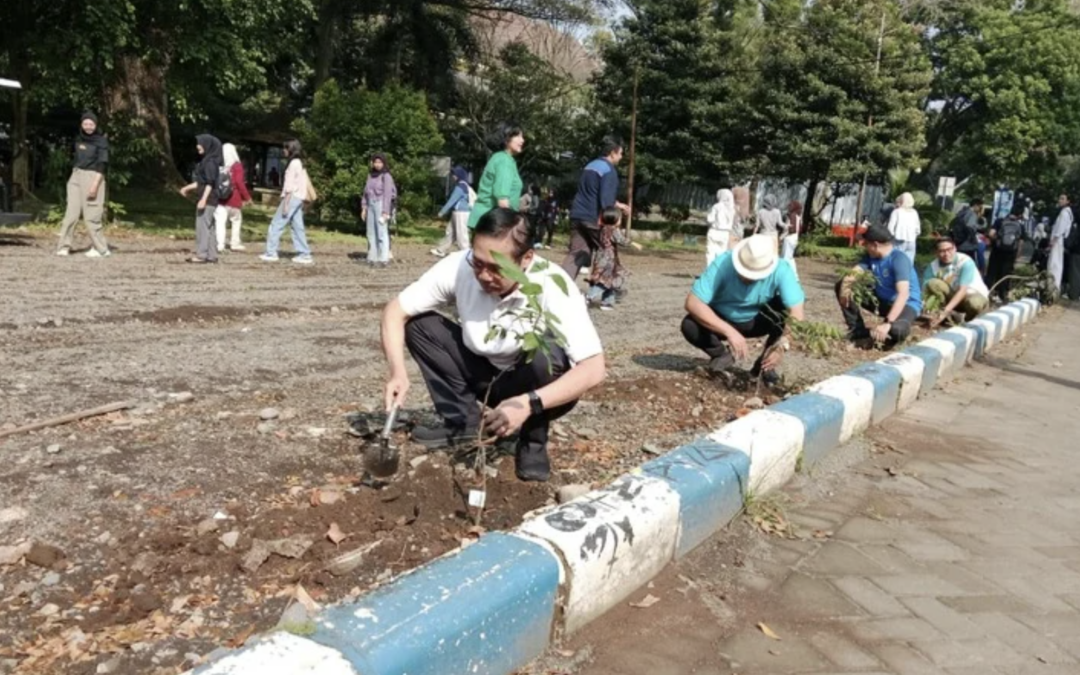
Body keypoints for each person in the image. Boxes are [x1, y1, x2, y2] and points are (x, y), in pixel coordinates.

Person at [381, 208, 605, 482]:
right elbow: (395, 311)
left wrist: (528, 403)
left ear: (526, 259)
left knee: (547, 352)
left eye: (497, 267)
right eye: (478, 263)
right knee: (419, 325)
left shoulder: (551, 284)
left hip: (529, 386)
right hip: (482, 371)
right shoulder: (459, 266)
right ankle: (465, 423)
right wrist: (398, 373)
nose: (484, 276)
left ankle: (532, 440)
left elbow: (594, 368)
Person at [682, 234, 806, 385]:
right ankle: (722, 355)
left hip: (757, 320)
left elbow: (797, 314)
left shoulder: (782, 270)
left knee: (781, 310)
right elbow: (693, 302)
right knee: (690, 325)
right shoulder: (723, 263)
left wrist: (781, 347)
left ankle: (764, 366)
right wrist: (730, 332)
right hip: (723, 318)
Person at [837, 224, 922, 347]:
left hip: (906, 304)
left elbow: (903, 294)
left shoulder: (899, 259)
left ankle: (892, 337)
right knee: (842, 285)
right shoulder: (871, 256)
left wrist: (888, 322)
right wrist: (845, 290)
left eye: (866, 244)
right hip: (883, 301)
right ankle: (858, 330)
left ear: (875, 245)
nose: (865, 247)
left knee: (897, 330)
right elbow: (852, 274)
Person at [563, 136, 630, 279]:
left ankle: (562, 287)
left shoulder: (590, 166)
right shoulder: (609, 171)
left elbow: (593, 192)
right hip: (593, 219)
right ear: (613, 153)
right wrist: (615, 220)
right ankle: (603, 292)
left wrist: (618, 204)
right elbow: (606, 202)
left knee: (578, 253)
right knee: (608, 253)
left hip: (577, 215)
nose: (621, 157)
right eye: (620, 153)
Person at [56, 112, 110, 258]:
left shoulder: (101, 141)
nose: (88, 127)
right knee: (70, 214)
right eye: (85, 123)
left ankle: (101, 249)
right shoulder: (78, 138)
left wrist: (94, 186)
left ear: (96, 125)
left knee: (91, 216)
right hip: (76, 175)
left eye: (91, 124)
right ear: (81, 124)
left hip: (93, 176)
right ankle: (63, 246)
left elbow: (102, 165)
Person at [260, 139, 314, 265]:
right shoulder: (300, 163)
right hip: (299, 198)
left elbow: (289, 185)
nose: (283, 150)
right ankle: (304, 254)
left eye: (285, 148)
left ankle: (271, 252)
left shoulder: (293, 164)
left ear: (291, 149)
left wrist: (286, 204)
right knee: (297, 227)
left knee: (276, 224)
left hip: (291, 198)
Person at [468, 125, 525, 230]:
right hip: (492, 225)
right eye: (518, 136)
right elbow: (502, 199)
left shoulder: (503, 158)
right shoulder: (504, 161)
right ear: (506, 139)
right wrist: (510, 226)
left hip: (489, 221)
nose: (522, 140)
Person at [922, 239, 989, 327]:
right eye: (942, 251)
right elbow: (924, 290)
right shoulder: (932, 266)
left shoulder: (965, 262)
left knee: (974, 304)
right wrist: (925, 308)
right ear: (936, 252)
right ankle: (938, 315)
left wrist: (944, 313)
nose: (946, 254)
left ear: (955, 249)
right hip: (953, 297)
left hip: (972, 295)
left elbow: (963, 290)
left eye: (949, 249)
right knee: (933, 283)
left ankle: (967, 320)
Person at [178, 134, 222, 264]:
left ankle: (201, 255)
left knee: (202, 226)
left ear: (208, 145)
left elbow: (210, 183)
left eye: (200, 143)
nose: (198, 146)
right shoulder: (208, 161)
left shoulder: (209, 163)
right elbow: (200, 182)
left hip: (208, 199)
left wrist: (203, 199)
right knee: (209, 227)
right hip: (209, 198)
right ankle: (212, 255)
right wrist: (186, 188)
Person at [586, 207, 630, 311]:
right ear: (614, 219)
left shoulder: (602, 229)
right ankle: (589, 296)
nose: (620, 220)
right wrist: (630, 242)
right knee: (605, 281)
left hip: (600, 257)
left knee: (611, 280)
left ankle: (607, 302)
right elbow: (621, 240)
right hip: (608, 259)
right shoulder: (613, 229)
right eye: (619, 218)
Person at [986, 201, 1027, 302]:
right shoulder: (1020, 226)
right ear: (1020, 214)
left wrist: (997, 240)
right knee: (1006, 273)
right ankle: (1001, 295)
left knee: (992, 272)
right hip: (1010, 253)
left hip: (997, 250)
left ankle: (987, 292)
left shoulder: (1000, 221)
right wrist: (1017, 255)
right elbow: (1021, 243)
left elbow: (991, 234)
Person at [214, 143, 252, 252]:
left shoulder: (220, 165)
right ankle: (234, 242)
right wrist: (247, 197)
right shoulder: (237, 165)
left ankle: (219, 244)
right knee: (236, 220)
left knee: (220, 222)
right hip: (234, 196)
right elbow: (239, 182)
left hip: (221, 197)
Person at [361, 153, 397, 267]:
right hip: (371, 204)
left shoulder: (386, 176)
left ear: (384, 163)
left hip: (381, 204)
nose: (377, 164)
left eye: (380, 162)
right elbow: (365, 193)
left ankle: (383, 258)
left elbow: (388, 194)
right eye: (375, 162)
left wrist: (385, 211)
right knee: (370, 232)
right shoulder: (370, 175)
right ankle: (372, 256)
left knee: (381, 232)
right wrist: (364, 207)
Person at [430, 166, 472, 258]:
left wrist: (442, 212)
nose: (453, 176)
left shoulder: (461, 186)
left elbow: (452, 201)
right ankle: (441, 249)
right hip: (457, 212)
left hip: (461, 213)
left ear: (459, 175)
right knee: (451, 232)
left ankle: (466, 254)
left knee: (461, 234)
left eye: (454, 174)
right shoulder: (464, 185)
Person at [887, 192, 921, 263]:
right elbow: (917, 229)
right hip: (911, 241)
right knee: (909, 263)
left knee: (896, 262)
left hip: (898, 240)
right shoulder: (914, 212)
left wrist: (891, 237)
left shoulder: (896, 212)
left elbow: (890, 228)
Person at [706, 189, 737, 266]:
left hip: (715, 230)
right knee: (721, 253)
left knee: (710, 252)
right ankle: (718, 271)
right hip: (725, 233)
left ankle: (709, 271)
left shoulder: (717, 206)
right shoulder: (732, 208)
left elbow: (710, 219)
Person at [1049, 194, 1073, 292]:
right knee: (1056, 263)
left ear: (1068, 201)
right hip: (1058, 240)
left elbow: (1060, 229)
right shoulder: (1065, 212)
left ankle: (1054, 285)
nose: (1060, 200)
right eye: (1059, 198)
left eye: (1063, 199)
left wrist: (1053, 240)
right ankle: (1053, 284)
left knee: (1055, 263)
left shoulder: (1065, 213)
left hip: (1058, 240)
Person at [781, 200, 803, 278]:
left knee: (785, 257)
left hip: (789, 238)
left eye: (790, 206)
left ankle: (784, 274)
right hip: (795, 238)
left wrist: (781, 237)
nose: (788, 208)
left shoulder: (791, 216)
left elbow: (789, 229)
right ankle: (794, 274)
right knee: (790, 257)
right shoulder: (798, 216)